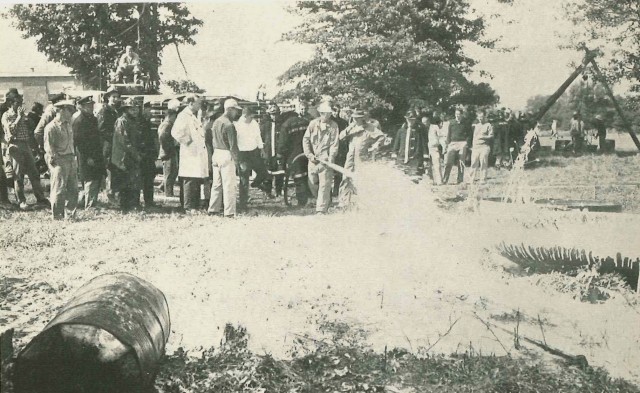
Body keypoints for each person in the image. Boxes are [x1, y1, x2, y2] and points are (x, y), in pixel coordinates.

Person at [2, 94, 50, 210]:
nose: (20, 106)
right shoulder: (6, 115)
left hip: (26, 144)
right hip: (15, 145)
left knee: (34, 172)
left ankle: (41, 198)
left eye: (21, 103)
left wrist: (27, 120)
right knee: (18, 175)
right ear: (11, 103)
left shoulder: (24, 115)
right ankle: (21, 201)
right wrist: (18, 118)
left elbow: (32, 129)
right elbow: (10, 132)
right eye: (17, 103)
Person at [338, 108, 385, 208]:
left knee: (361, 179)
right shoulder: (351, 127)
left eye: (358, 118)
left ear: (362, 118)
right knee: (346, 177)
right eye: (354, 118)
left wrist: (376, 145)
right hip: (350, 157)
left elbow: (381, 137)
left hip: (362, 157)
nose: (355, 120)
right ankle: (344, 201)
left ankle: (363, 201)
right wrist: (349, 129)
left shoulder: (370, 127)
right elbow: (340, 137)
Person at [171, 94, 208, 212]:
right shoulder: (183, 116)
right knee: (189, 179)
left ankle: (194, 205)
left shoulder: (194, 116)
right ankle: (188, 206)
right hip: (190, 152)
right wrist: (188, 141)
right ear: (191, 103)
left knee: (196, 179)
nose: (200, 105)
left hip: (197, 152)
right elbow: (175, 132)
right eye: (198, 103)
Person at [302, 101, 340, 214]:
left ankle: (321, 209)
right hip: (313, 159)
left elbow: (334, 143)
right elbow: (306, 140)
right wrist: (309, 155)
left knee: (325, 184)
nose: (326, 115)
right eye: (324, 113)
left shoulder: (334, 126)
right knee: (313, 182)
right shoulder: (313, 124)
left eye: (328, 113)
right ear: (320, 113)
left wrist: (331, 157)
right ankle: (326, 200)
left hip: (325, 160)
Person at [207, 98, 242, 217]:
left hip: (216, 153)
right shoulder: (229, 125)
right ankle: (229, 212)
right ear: (230, 109)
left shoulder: (216, 121)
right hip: (226, 154)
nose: (237, 113)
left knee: (217, 184)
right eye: (235, 110)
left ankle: (213, 209)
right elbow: (233, 146)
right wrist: (237, 161)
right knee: (229, 185)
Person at [44, 99, 78, 219]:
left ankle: (70, 214)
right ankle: (57, 215)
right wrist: (56, 161)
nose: (71, 113)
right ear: (61, 110)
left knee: (73, 188)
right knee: (59, 188)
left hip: (70, 158)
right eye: (69, 110)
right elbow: (49, 147)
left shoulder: (68, 125)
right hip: (59, 159)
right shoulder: (51, 127)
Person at [235, 106, 272, 210]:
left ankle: (255, 184)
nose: (252, 118)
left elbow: (258, 136)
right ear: (245, 116)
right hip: (243, 154)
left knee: (263, 173)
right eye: (250, 116)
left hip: (254, 152)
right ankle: (243, 204)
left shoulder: (254, 123)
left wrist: (262, 149)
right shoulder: (238, 125)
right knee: (244, 178)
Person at [72, 96, 106, 209]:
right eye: (88, 105)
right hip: (86, 156)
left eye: (92, 105)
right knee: (89, 180)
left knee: (96, 178)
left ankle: (88, 202)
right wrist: (87, 157)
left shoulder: (92, 119)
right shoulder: (79, 121)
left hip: (96, 153)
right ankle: (90, 206)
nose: (91, 107)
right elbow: (79, 142)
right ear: (81, 107)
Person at [110, 98, 142, 212]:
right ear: (126, 109)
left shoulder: (134, 121)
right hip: (123, 157)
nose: (135, 111)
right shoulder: (122, 121)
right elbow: (124, 141)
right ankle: (124, 206)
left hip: (131, 156)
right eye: (132, 109)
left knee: (133, 181)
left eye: (136, 108)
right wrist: (135, 154)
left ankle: (133, 204)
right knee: (124, 182)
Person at [278, 101, 312, 206]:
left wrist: (280, 156)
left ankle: (302, 202)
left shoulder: (286, 124)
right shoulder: (308, 122)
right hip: (307, 153)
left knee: (299, 178)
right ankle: (308, 198)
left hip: (294, 156)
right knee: (307, 176)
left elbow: (283, 143)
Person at [97, 86, 121, 202]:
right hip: (108, 145)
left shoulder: (116, 111)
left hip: (116, 145)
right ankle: (110, 195)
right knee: (110, 169)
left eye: (117, 97)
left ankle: (114, 194)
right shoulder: (104, 111)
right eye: (113, 97)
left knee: (115, 169)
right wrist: (114, 137)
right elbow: (101, 129)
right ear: (108, 98)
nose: (116, 99)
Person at [393, 110, 428, 183]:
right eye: (409, 120)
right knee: (400, 180)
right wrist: (394, 154)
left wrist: (425, 159)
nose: (411, 122)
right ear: (406, 119)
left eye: (413, 120)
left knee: (414, 179)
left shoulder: (419, 131)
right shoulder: (401, 131)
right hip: (402, 158)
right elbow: (396, 144)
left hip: (415, 159)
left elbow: (424, 144)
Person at [260, 104, 286, 197]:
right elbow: (261, 138)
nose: (274, 116)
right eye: (272, 114)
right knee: (268, 173)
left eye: (276, 114)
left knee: (279, 173)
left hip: (279, 153)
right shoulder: (265, 126)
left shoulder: (282, 125)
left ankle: (278, 191)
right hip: (268, 152)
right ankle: (268, 192)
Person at [158, 99, 181, 198]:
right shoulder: (167, 125)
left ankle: (164, 187)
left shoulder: (169, 124)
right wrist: (169, 147)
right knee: (169, 173)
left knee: (173, 171)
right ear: (170, 116)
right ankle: (168, 193)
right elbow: (162, 137)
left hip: (170, 151)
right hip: (167, 152)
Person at [442, 108, 470, 185]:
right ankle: (445, 179)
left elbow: (469, 134)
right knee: (448, 162)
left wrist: (466, 143)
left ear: (462, 114)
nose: (457, 115)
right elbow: (448, 134)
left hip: (462, 143)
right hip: (453, 143)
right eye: (456, 114)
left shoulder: (466, 123)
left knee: (461, 162)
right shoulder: (451, 122)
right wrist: (447, 144)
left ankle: (460, 180)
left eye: (459, 114)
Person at [138, 101, 158, 208]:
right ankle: (141, 201)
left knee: (149, 179)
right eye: (148, 109)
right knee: (142, 179)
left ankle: (149, 201)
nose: (150, 112)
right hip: (142, 155)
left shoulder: (148, 123)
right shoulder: (140, 123)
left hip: (149, 156)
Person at [467, 109, 494, 184]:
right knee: (473, 163)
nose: (480, 119)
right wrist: (471, 146)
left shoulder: (488, 125)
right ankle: (471, 179)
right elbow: (472, 136)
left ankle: (483, 179)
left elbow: (491, 136)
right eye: (479, 117)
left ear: (485, 116)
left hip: (484, 147)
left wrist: (483, 137)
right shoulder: (476, 125)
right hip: (476, 147)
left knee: (483, 163)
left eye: (482, 117)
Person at [331, 104, 350, 198]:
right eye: (334, 110)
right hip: (330, 147)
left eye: (337, 111)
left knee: (339, 170)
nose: (335, 113)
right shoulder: (328, 122)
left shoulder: (343, 122)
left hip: (341, 148)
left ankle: (336, 190)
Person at [427, 113, 448, 185]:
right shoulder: (424, 128)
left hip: (433, 148)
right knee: (430, 165)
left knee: (436, 164)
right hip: (428, 148)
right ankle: (432, 180)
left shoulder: (433, 127)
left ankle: (438, 181)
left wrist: (444, 147)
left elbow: (441, 137)